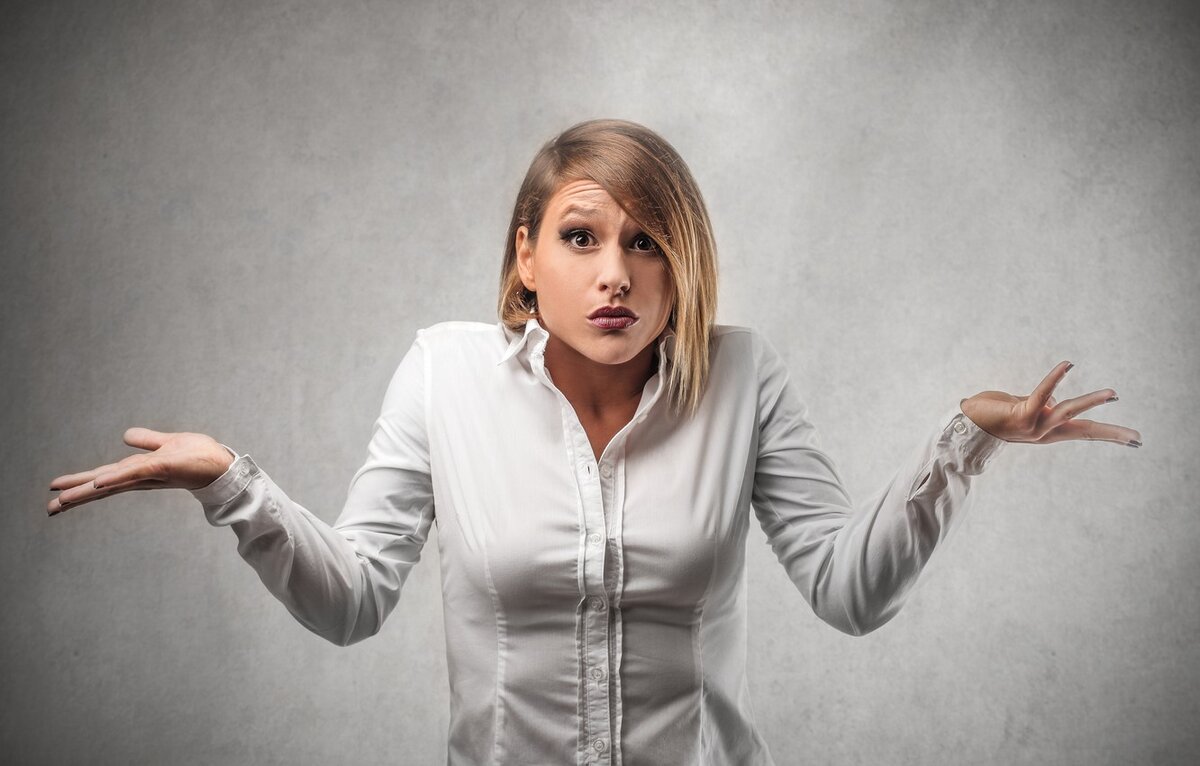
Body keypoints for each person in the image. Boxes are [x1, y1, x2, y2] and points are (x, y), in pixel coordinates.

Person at [46, 118, 1142, 765]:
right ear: (527, 258)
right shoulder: (444, 373)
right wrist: (230, 483)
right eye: (581, 237)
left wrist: (963, 442)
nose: (615, 272)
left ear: (683, 265)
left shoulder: (743, 377)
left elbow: (848, 592)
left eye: (647, 242)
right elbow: (353, 600)